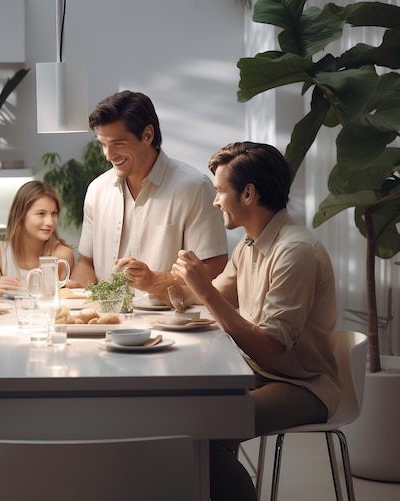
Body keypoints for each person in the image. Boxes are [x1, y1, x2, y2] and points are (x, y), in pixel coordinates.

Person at [170, 141, 341, 501]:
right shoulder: (249, 245)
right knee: (178, 411)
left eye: (219, 191)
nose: (215, 202)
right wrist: (179, 286)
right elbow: (212, 300)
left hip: (302, 384)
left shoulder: (295, 252)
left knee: (204, 431)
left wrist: (204, 290)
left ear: (248, 193)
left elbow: (271, 352)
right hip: (257, 374)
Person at [67, 90, 228, 292]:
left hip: (171, 321)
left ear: (147, 135)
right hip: (108, 320)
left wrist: (155, 281)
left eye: (118, 143)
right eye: (103, 145)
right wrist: (76, 287)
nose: (108, 155)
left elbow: (214, 268)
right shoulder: (97, 190)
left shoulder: (194, 187)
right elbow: (86, 263)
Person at [0, 180, 74, 297]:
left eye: (54, 213)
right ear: (21, 215)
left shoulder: (62, 255)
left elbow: (63, 308)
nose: (50, 222)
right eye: (41, 214)